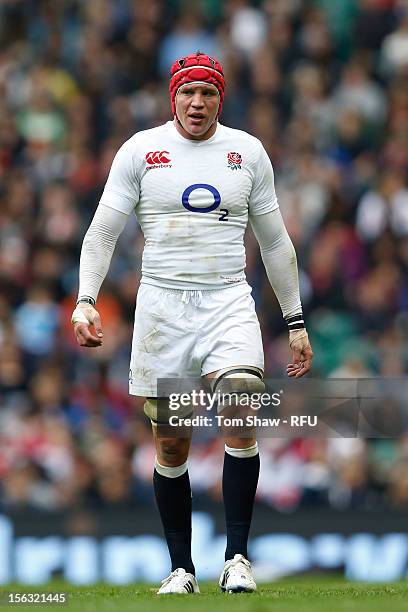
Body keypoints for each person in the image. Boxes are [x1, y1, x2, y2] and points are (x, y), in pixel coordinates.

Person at [71, 52, 313, 594]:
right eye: (188, 93)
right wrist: (86, 299)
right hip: (162, 308)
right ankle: (182, 568)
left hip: (227, 299)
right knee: (172, 443)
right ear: (172, 96)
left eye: (207, 93)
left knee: (241, 402)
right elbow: (103, 231)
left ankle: (237, 559)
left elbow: (274, 241)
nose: (197, 103)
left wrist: (295, 319)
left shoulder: (247, 152)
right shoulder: (140, 151)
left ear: (220, 98)